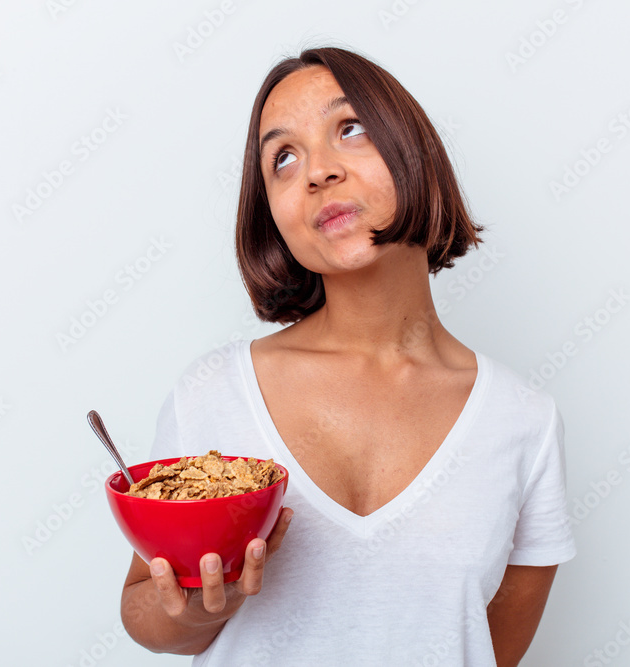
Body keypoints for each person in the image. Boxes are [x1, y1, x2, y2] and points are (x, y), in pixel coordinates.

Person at [120, 44, 576, 666]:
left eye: (350, 129)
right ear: (273, 215)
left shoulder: (524, 422)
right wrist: (200, 608)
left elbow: (482, 649)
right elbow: (144, 610)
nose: (317, 171)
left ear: (412, 149)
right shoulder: (214, 393)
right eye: (283, 157)